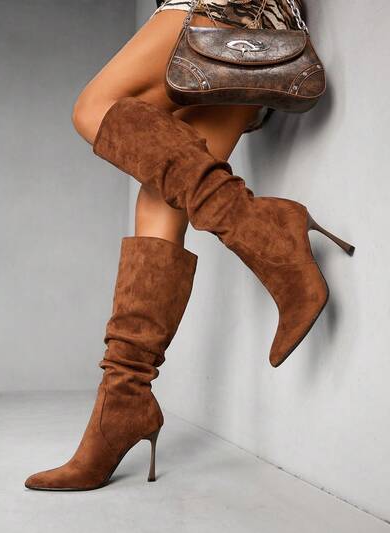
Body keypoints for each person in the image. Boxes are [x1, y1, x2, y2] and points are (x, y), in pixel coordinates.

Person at [24, 0, 354, 491]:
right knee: (163, 196)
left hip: (230, 11)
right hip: (254, 33)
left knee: (95, 107)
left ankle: (266, 231)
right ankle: (124, 401)